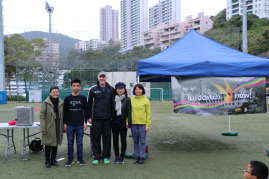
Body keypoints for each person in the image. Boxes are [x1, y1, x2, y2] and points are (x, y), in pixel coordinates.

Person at [87, 71, 114, 165]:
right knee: (96, 138)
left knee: (107, 138)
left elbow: (114, 103)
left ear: (106, 78)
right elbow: (89, 104)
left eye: (104, 77)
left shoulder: (111, 89)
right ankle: (97, 156)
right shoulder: (93, 89)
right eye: (100, 77)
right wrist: (89, 116)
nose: (102, 78)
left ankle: (106, 157)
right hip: (96, 118)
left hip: (107, 118)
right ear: (98, 78)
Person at [63, 78, 88, 167]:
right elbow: (65, 112)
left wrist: (85, 122)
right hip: (69, 124)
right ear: (71, 87)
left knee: (79, 142)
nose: (76, 87)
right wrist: (64, 123)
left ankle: (80, 159)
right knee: (70, 143)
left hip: (80, 124)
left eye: (77, 86)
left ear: (80, 87)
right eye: (74, 86)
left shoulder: (83, 98)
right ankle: (70, 159)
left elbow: (86, 111)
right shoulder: (67, 98)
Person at [40, 86, 64, 168]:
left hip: (58, 125)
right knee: (48, 144)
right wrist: (43, 128)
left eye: (57, 92)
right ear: (50, 93)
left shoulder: (61, 102)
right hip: (49, 125)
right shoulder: (45, 103)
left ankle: (53, 160)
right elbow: (42, 116)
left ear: (58, 93)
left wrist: (64, 125)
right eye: (53, 92)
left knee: (55, 143)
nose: (55, 93)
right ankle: (47, 161)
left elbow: (64, 115)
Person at [130, 83, 151, 164]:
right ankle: (136, 156)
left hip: (142, 124)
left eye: (139, 89)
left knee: (142, 141)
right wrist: (128, 121)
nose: (138, 91)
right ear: (134, 90)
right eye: (136, 89)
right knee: (135, 141)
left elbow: (148, 113)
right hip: (133, 124)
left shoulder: (146, 100)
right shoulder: (131, 100)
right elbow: (129, 111)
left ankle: (142, 156)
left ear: (142, 90)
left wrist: (148, 124)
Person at [112, 82, 132, 164]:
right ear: (116, 89)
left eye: (122, 89)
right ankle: (116, 156)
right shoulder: (112, 98)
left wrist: (128, 121)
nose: (120, 90)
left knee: (123, 140)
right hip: (114, 122)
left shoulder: (127, 99)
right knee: (115, 140)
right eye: (118, 89)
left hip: (123, 121)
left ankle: (122, 156)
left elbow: (129, 111)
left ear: (124, 89)